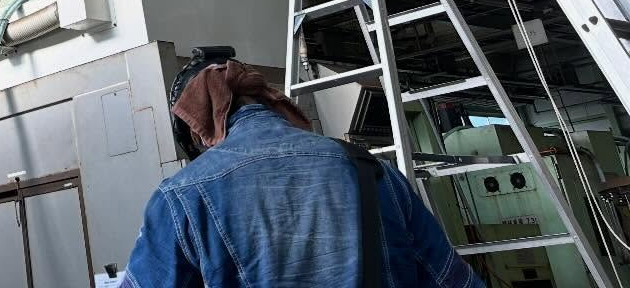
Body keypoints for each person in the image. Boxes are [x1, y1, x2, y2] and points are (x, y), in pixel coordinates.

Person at [124, 50, 484, 288]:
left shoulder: (182, 196)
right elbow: (455, 282)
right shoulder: (372, 171)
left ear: (199, 130)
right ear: (269, 100)